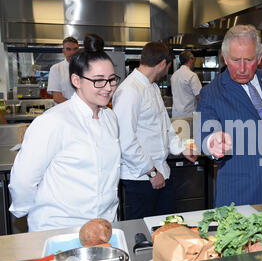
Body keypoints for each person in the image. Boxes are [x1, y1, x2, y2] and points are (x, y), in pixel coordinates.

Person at [9, 34, 122, 232]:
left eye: (112, 80)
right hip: (59, 227)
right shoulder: (53, 121)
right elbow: (23, 181)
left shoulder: (110, 118)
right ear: (76, 80)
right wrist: (33, 213)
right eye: (98, 81)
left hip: (104, 225)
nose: (107, 88)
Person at [196, 24, 262, 208]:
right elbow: (203, 135)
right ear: (225, 58)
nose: (243, 68)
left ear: (260, 58)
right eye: (236, 60)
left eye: (249, 59)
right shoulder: (211, 93)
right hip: (241, 197)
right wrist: (213, 142)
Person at [112, 42, 197, 220]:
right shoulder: (129, 90)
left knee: (167, 228)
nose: (167, 71)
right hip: (142, 178)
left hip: (161, 172)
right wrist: (150, 172)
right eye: (168, 66)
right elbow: (125, 139)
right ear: (162, 64)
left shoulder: (152, 87)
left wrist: (181, 148)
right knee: (143, 234)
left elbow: (165, 126)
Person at [47, 36, 80, 104]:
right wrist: (75, 107)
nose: (72, 52)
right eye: (68, 49)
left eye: (75, 49)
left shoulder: (84, 67)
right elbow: (57, 97)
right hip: (64, 112)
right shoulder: (56, 68)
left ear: (78, 50)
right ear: (63, 51)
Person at [170, 50, 202, 118]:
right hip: (189, 116)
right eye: (194, 59)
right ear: (190, 59)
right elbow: (199, 96)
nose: (194, 61)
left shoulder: (174, 75)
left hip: (176, 115)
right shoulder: (192, 75)